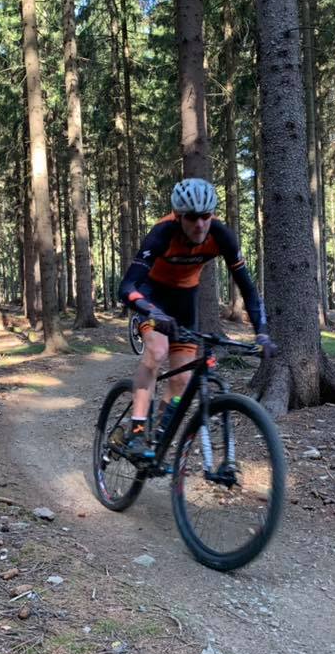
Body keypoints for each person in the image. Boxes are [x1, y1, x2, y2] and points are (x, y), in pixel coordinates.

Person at [117, 178, 276, 458]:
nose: (200, 224)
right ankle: (137, 430)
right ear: (179, 216)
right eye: (192, 218)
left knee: (182, 379)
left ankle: (157, 437)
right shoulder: (162, 233)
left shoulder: (221, 235)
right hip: (153, 295)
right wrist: (152, 312)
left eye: (206, 216)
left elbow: (249, 289)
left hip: (185, 300)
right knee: (157, 351)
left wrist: (261, 333)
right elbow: (127, 287)